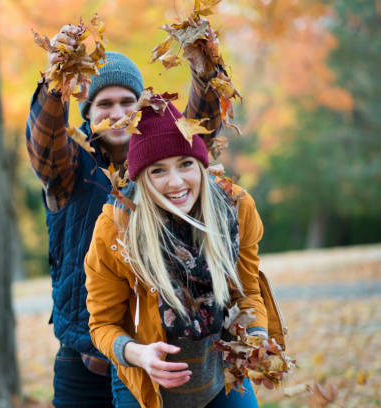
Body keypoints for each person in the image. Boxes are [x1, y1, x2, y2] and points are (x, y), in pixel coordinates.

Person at [25, 23, 222, 407]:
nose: (117, 113)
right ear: (88, 111)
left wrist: (204, 71)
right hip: (86, 361)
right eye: (105, 104)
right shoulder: (70, 167)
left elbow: (201, 131)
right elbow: (44, 141)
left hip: (156, 356)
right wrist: (56, 82)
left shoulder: (164, 168)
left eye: (127, 102)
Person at [84, 101, 268, 408]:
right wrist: (138, 354)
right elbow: (101, 325)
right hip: (147, 384)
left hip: (220, 377)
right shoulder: (116, 228)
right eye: (158, 170)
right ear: (141, 178)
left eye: (185, 163)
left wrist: (257, 337)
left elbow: (247, 292)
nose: (176, 182)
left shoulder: (235, 210)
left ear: (201, 165)